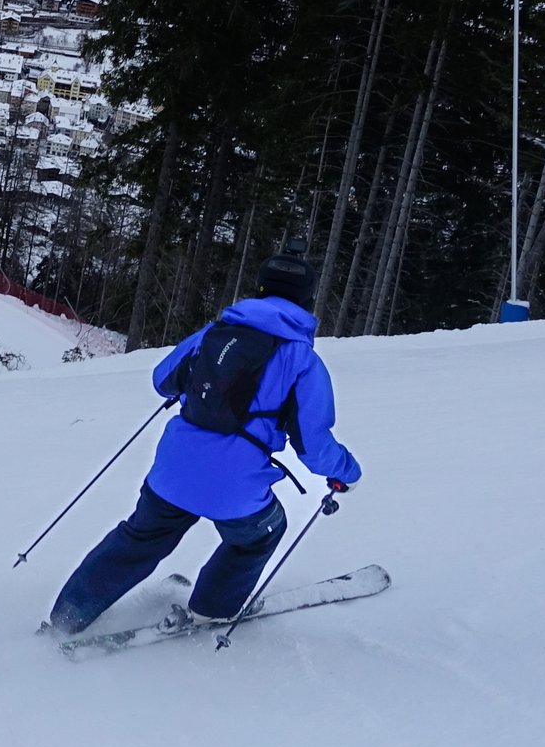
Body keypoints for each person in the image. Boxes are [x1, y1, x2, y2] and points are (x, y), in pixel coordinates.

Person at [49, 242, 361, 633]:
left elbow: (163, 380)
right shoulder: (303, 360)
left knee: (140, 538)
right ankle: (214, 607)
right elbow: (314, 447)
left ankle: (68, 615)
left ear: (260, 288)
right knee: (260, 534)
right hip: (236, 485)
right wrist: (346, 471)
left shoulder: (216, 333)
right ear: (306, 300)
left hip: (173, 470)